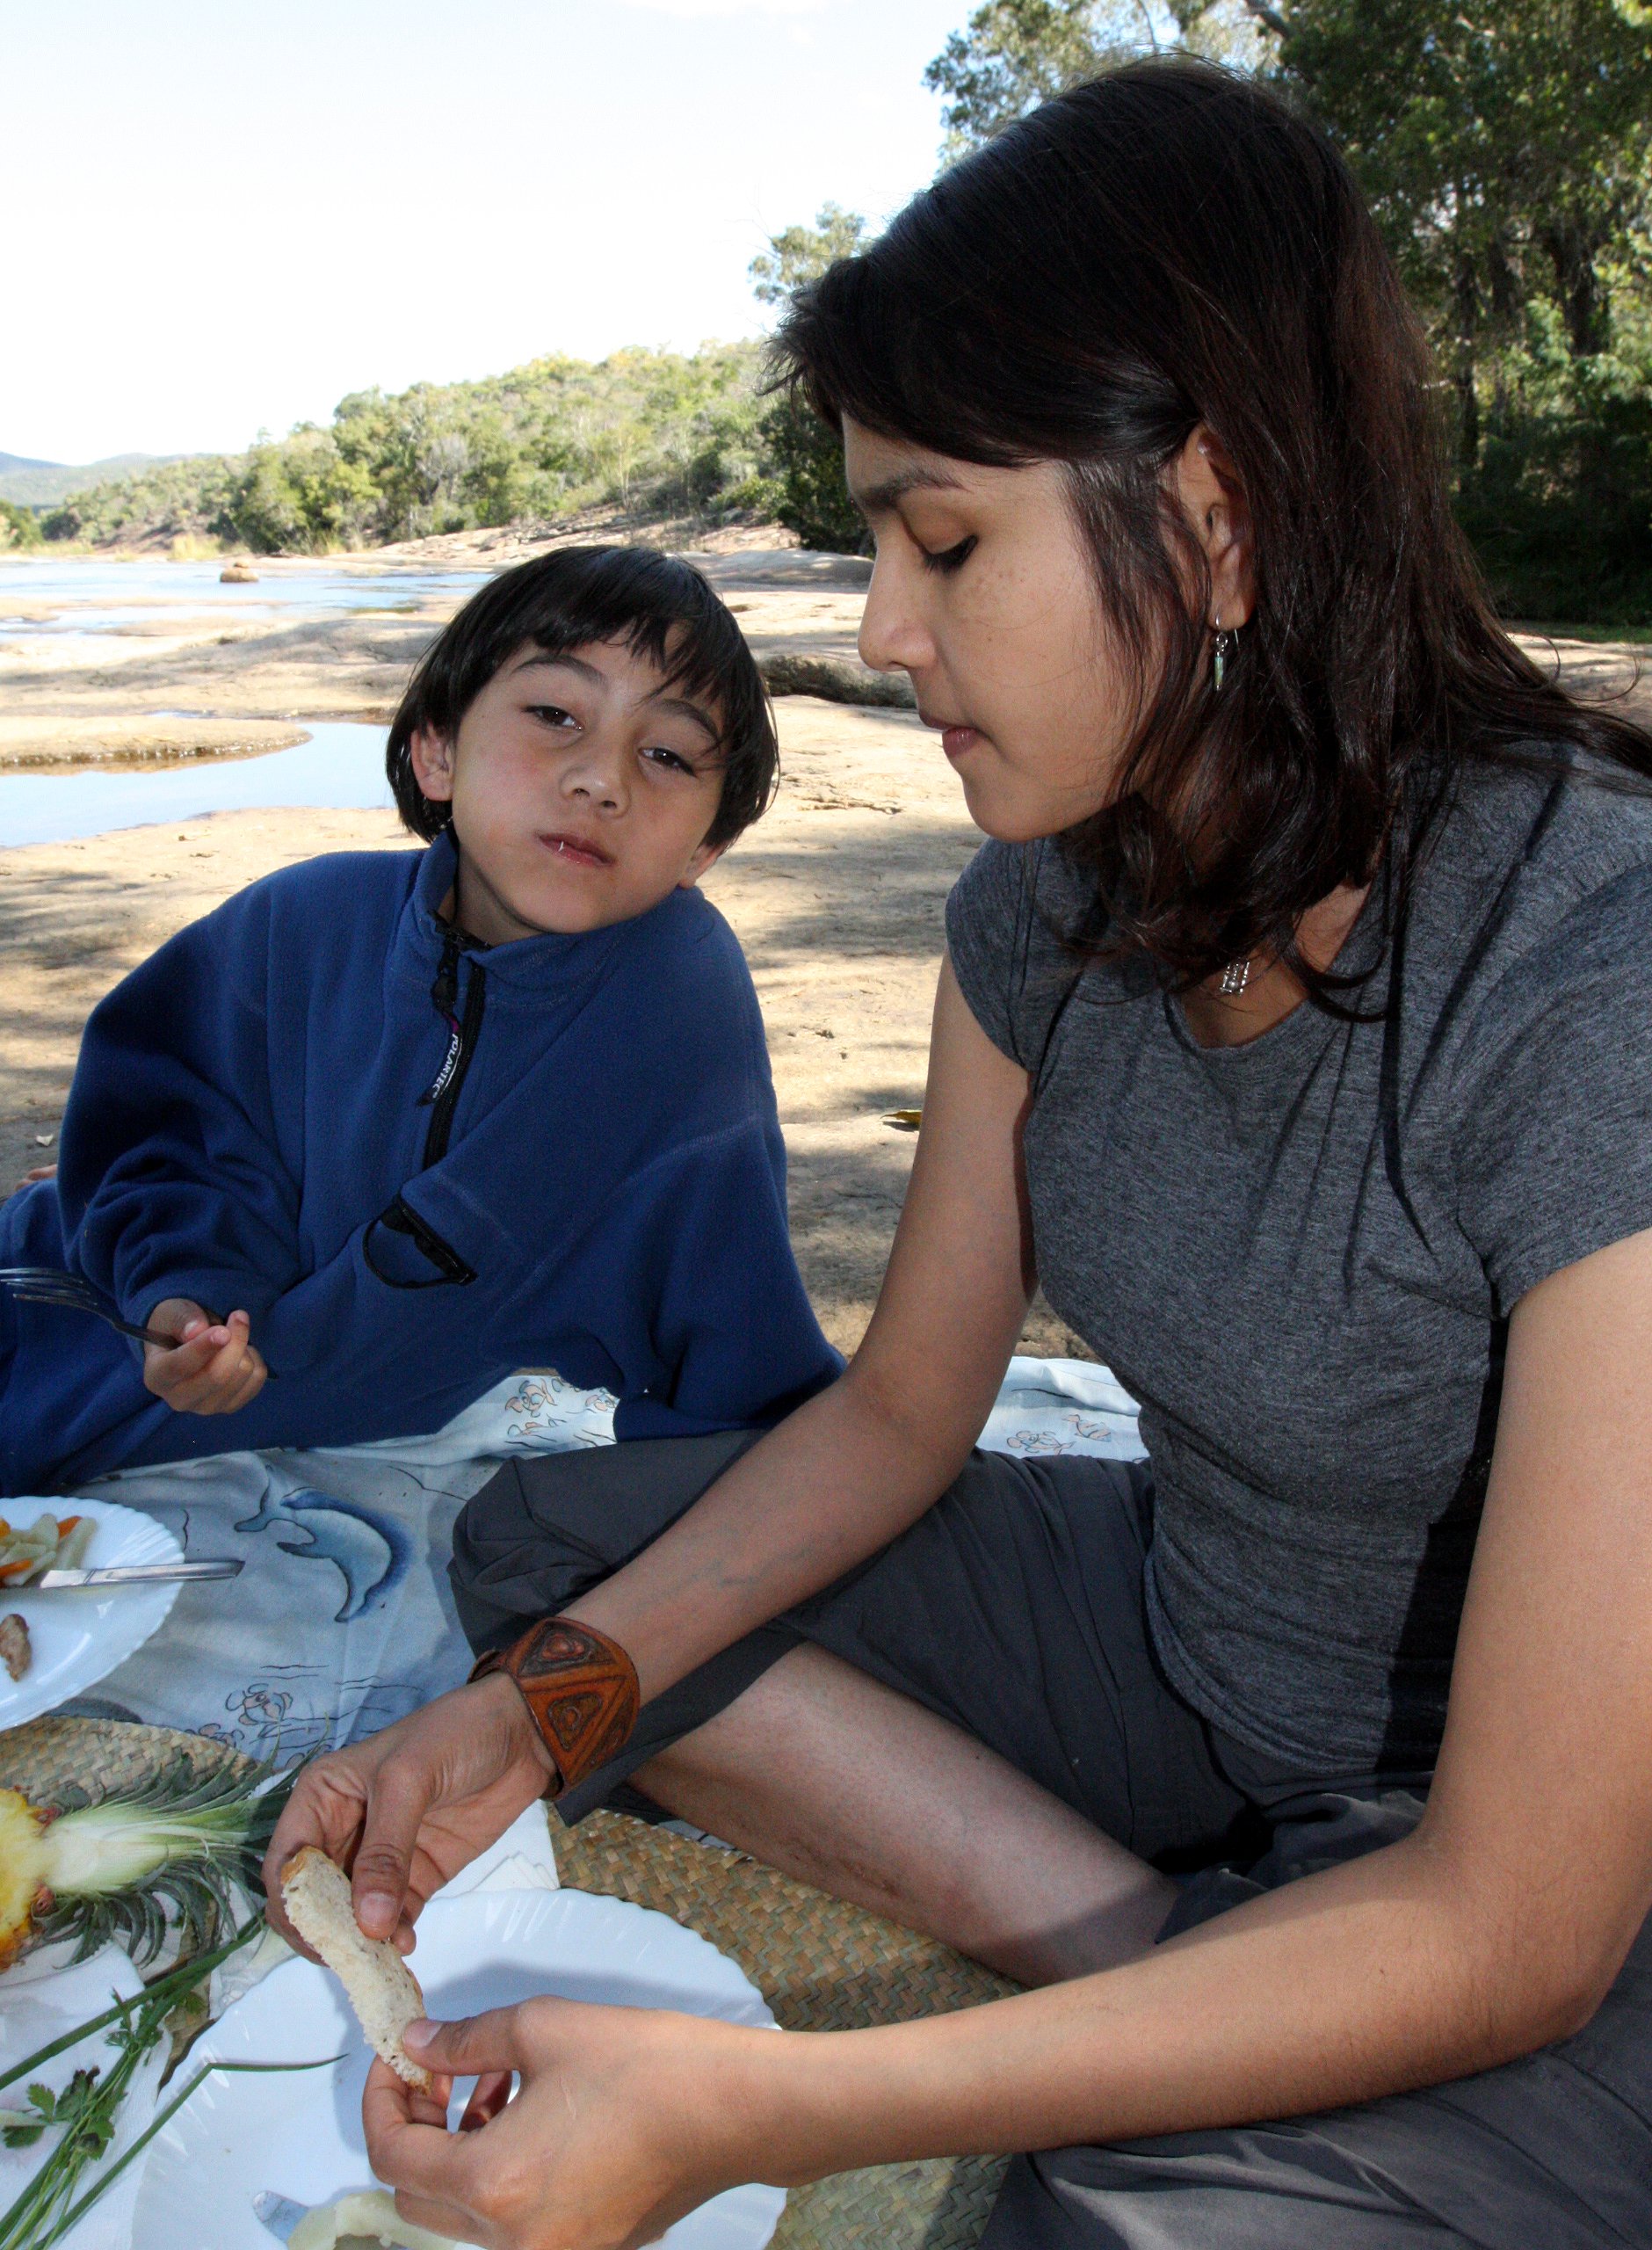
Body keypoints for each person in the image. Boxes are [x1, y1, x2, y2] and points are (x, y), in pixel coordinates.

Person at [264, 60, 1652, 2250]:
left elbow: (1521, 1913)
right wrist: (524, 1728)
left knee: (1104, 2219)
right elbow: (909, 1405)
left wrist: (767, 2106)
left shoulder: (1591, 967)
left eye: (941, 540)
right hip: (1190, 1648)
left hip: (1553, 1852)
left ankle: (1252, 2019)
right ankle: (1179, 1971)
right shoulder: (1041, 906)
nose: (882, 633)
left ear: (1208, 515)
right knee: (548, 1564)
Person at [0, 548, 838, 1496]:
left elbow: (736, 1332)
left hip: (200, 1443)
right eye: (555, 714)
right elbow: (163, 1126)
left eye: (667, 755)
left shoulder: (671, 1006)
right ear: (436, 749)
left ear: (706, 845)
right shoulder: (298, 921)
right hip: (56, 1304)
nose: (602, 779)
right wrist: (183, 1294)